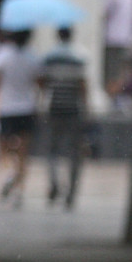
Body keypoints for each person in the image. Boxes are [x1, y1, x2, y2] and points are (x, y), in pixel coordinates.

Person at [0, 30, 42, 206]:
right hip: (26, 108)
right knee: (23, 152)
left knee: (6, 150)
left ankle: (13, 177)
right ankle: (18, 185)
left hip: (7, 108)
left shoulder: (1, 55)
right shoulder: (32, 57)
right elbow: (39, 82)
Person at [39, 26, 88, 208]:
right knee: (74, 153)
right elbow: (82, 86)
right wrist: (87, 108)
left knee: (52, 150)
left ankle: (54, 183)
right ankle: (71, 192)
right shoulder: (78, 58)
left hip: (55, 108)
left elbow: (43, 83)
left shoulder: (50, 58)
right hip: (73, 110)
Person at [103, 0, 132, 104]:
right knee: (122, 70)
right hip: (128, 37)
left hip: (112, 37)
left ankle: (112, 97)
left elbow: (104, 11)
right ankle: (121, 96)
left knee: (111, 71)